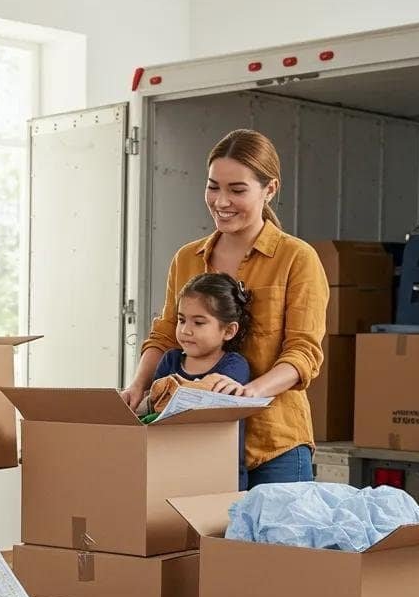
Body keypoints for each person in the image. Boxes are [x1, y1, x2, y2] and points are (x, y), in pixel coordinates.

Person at [122, 128, 328, 487]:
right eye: (213, 186)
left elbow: (303, 354)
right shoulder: (187, 258)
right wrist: (137, 387)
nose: (221, 201)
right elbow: (165, 334)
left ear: (270, 190)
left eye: (237, 190)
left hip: (273, 447)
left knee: (270, 544)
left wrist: (246, 395)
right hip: (198, 443)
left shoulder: (297, 258)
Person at [149, 272, 252, 485]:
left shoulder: (235, 365)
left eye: (199, 322)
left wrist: (175, 391)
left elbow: (211, 397)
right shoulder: (170, 360)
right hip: (171, 470)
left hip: (220, 474)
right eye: (181, 320)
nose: (186, 330)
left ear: (229, 330)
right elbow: (153, 406)